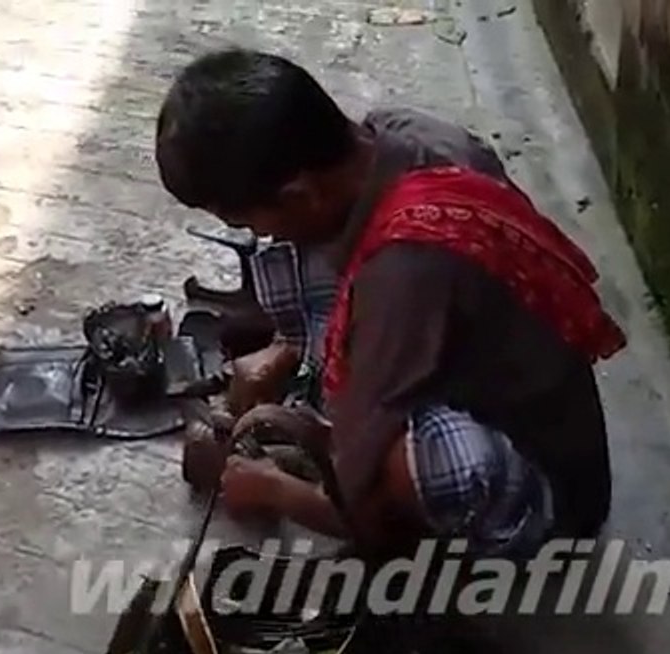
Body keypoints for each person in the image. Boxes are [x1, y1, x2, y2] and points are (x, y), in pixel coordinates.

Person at [155, 48, 624, 561]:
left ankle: (498, 529)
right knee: (308, 252)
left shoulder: (402, 270)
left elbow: (367, 514)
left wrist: (274, 489)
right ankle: (314, 402)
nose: (256, 232)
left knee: (410, 465)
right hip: (495, 375)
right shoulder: (396, 133)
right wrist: (287, 350)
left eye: (248, 221)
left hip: (550, 496)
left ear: (300, 193)